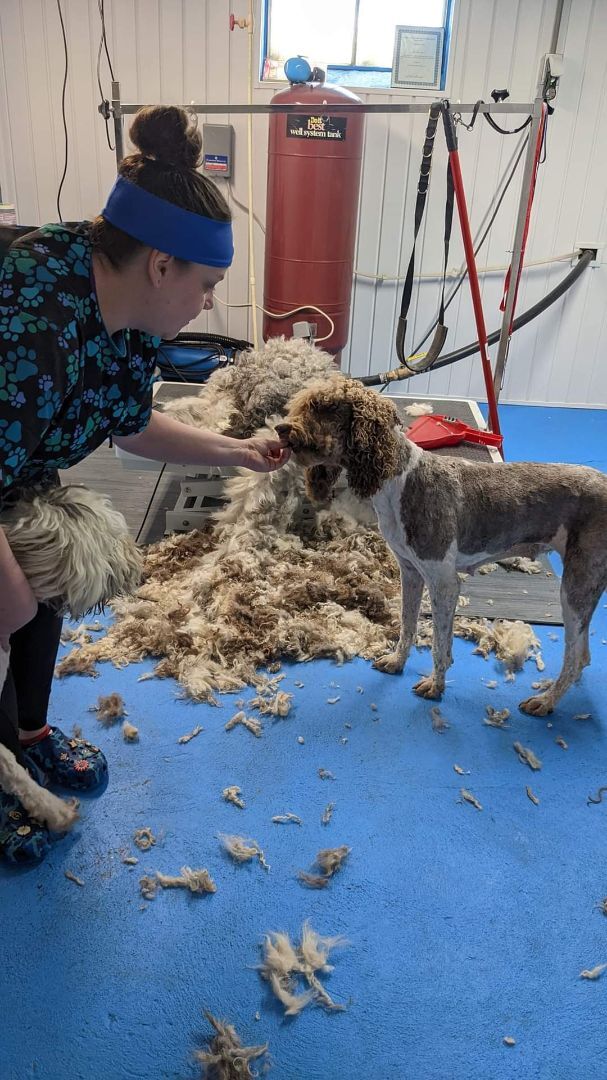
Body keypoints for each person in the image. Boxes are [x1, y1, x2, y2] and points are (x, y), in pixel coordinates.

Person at [0, 105, 290, 865]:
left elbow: (129, 427)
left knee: (57, 563)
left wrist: (239, 450)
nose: (209, 306)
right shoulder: (34, 313)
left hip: (12, 462)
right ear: (162, 264)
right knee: (7, 599)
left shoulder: (130, 321)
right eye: (208, 286)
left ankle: (26, 733)